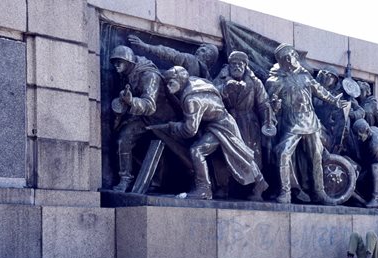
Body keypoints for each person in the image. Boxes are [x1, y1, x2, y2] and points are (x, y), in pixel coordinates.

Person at [162, 66, 268, 201]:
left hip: (221, 125)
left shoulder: (191, 100)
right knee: (238, 154)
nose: (168, 87)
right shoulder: (194, 81)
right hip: (220, 122)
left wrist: (173, 127)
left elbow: (189, 130)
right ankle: (259, 182)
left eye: (171, 83)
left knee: (199, 151)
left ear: (180, 80)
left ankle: (204, 190)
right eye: (166, 83)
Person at [265, 43, 349, 205]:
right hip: (292, 124)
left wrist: (336, 102)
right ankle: (285, 192)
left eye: (292, 56)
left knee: (316, 157)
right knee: (282, 153)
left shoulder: (305, 76)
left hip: (311, 123)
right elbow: (269, 107)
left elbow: (321, 92)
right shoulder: (275, 81)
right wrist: (275, 107)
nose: (290, 60)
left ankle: (320, 193)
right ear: (281, 62)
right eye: (286, 58)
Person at [108, 45, 188, 192]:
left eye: (120, 61)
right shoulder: (127, 74)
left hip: (164, 121)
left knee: (184, 158)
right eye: (114, 62)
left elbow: (150, 105)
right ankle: (125, 180)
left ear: (130, 61)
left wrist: (131, 101)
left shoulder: (149, 76)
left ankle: (163, 182)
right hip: (145, 118)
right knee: (123, 140)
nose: (116, 65)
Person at [128, 35, 219, 80]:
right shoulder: (208, 80)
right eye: (199, 49)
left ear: (208, 58)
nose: (198, 51)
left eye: (203, 50)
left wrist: (146, 46)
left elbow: (170, 54)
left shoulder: (191, 60)